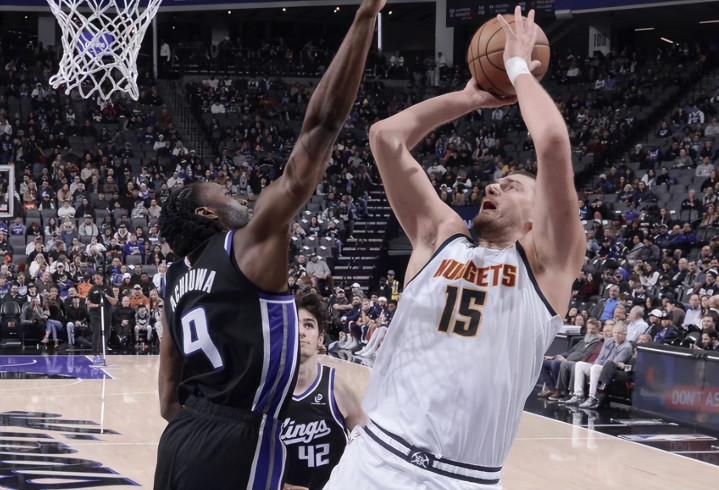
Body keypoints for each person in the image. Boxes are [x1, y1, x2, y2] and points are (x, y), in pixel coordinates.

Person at [325, 8, 585, 488]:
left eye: (511, 185)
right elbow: (385, 137)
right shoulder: (440, 237)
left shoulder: (548, 266)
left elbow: (551, 142)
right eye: (495, 182)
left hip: (464, 479)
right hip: (375, 459)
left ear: (537, 218)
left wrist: (518, 68)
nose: (494, 186)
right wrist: (468, 98)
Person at [153, 2, 384, 488]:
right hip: (241, 435)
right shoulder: (247, 244)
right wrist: (366, 16)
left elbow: (168, 400)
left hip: (179, 442)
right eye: (226, 194)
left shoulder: (173, 281)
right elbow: (321, 127)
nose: (239, 197)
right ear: (207, 214)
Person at [280, 293, 366, 490]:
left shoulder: (337, 388)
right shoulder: (269, 392)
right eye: (295, 324)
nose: (301, 332)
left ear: (320, 339)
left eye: (309, 325)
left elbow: (367, 446)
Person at [86, 271, 117, 364]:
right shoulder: (92, 290)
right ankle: (96, 354)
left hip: (106, 314)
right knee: (97, 332)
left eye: (98, 278)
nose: (96, 280)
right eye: (95, 279)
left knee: (105, 333)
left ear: (102, 278)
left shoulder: (108, 288)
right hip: (95, 314)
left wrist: (106, 296)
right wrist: (97, 306)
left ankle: (102, 353)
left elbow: (114, 302)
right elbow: (88, 304)